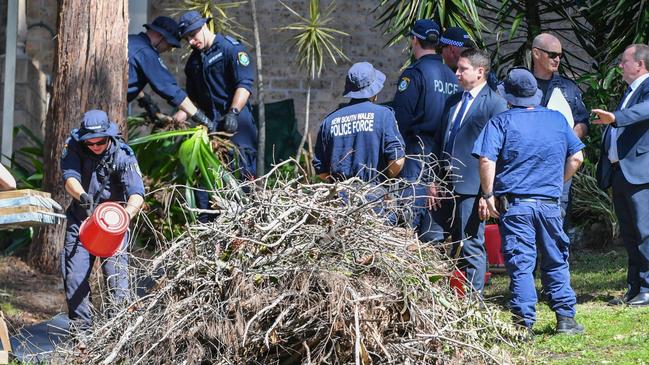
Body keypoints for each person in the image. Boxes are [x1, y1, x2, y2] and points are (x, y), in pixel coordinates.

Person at [473, 68, 585, 334]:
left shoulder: (500, 122)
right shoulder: (557, 120)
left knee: (521, 264)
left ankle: (524, 324)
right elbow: (577, 157)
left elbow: (487, 159)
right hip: (549, 203)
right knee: (556, 258)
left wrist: (488, 195)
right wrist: (557, 182)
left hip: (516, 205)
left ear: (509, 97)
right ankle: (566, 320)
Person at [60, 110, 145, 330]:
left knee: (118, 282)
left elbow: (137, 193)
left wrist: (125, 216)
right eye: (91, 143)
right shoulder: (74, 147)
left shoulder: (122, 153)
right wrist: (83, 197)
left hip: (113, 227)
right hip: (82, 221)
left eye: (101, 142)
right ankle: (82, 337)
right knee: (75, 278)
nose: (96, 147)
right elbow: (70, 178)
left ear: (109, 136)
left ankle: (118, 335)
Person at [434, 48, 507, 294]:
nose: (456, 73)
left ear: (480, 71)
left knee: (471, 243)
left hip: (473, 187)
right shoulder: (453, 100)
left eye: (462, 69)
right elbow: (441, 140)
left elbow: (499, 152)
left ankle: (473, 303)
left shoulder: (495, 104)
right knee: (438, 240)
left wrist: (489, 194)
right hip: (445, 183)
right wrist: (433, 179)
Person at [391, 19, 459, 243]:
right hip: (444, 157)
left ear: (414, 40)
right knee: (435, 226)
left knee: (408, 225)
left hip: (416, 156)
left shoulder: (414, 74)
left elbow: (401, 119)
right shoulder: (452, 76)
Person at [593, 44, 649, 307]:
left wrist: (614, 117)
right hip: (621, 173)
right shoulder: (629, 91)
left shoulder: (647, 87)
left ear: (639, 64)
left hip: (640, 173)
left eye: (624, 61)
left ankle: (647, 288)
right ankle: (634, 287)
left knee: (644, 232)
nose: (619, 66)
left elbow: (643, 111)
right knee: (629, 234)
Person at [313, 62, 405, 183]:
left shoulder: (329, 121)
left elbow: (321, 170)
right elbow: (397, 159)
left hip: (339, 197)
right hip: (375, 196)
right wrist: (383, 182)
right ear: (374, 90)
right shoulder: (384, 115)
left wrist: (341, 186)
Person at [531, 33, 589, 220]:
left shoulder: (568, 88)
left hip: (559, 165)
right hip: (526, 164)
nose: (557, 59)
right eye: (552, 54)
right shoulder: (520, 84)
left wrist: (567, 140)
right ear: (536, 53)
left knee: (556, 218)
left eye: (560, 55)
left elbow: (583, 121)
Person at [128, 16, 213, 127]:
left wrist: (144, 99)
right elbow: (169, 88)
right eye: (169, 44)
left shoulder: (131, 40)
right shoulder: (146, 52)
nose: (168, 49)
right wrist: (200, 117)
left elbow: (128, 76)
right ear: (160, 36)